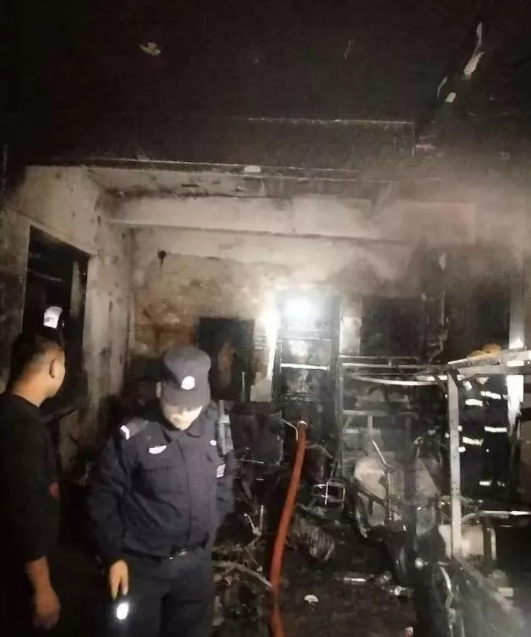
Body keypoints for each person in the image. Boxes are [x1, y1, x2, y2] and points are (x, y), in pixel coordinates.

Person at [89, 346, 236, 637]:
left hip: (195, 566)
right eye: (176, 403)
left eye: (192, 405)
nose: (184, 412)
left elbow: (225, 475)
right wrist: (113, 556)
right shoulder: (135, 435)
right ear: (159, 390)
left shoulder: (215, 427)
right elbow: (104, 497)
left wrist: (211, 523)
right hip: (142, 568)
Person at [0, 328, 66, 635]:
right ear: (54, 367)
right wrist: (42, 587)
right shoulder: (22, 428)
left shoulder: (9, 412)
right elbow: (21, 510)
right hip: (17, 577)